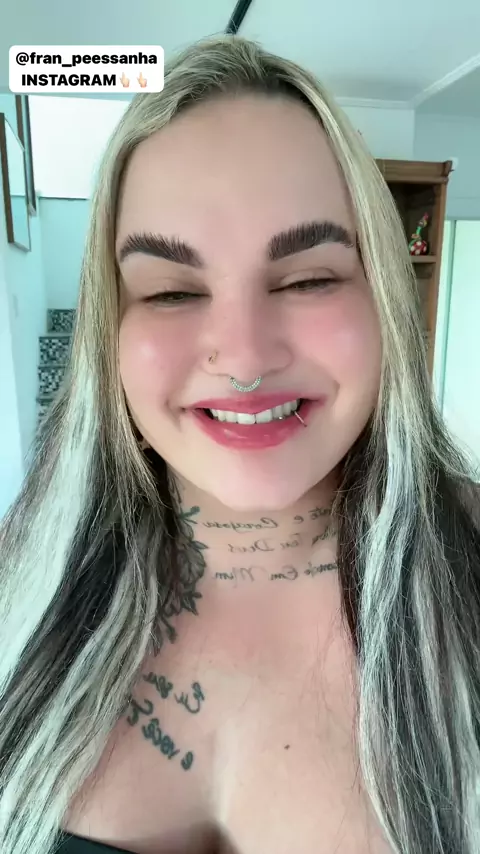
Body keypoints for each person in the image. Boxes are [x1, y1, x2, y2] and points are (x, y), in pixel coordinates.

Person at [1, 34, 479, 854]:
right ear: (111, 326)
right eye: (171, 291)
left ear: (385, 299)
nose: (247, 357)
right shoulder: (22, 576)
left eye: (308, 279)